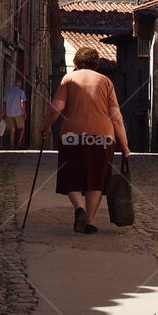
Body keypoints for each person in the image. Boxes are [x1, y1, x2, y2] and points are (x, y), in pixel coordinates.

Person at [42, 47, 131, 234]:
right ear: (96, 63)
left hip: (71, 136)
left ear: (76, 61)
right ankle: (90, 221)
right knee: (96, 178)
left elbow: (55, 109)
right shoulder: (106, 82)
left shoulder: (69, 79)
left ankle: (79, 208)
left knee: (71, 175)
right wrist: (124, 144)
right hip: (103, 137)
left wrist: (46, 126)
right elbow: (116, 117)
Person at [2, 82, 27, 148]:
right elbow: (22, 103)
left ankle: (11, 144)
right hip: (18, 113)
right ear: (20, 85)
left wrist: (4, 112)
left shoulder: (8, 92)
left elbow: (4, 102)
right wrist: (24, 112)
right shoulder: (21, 92)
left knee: (12, 129)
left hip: (9, 113)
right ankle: (19, 142)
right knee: (22, 128)